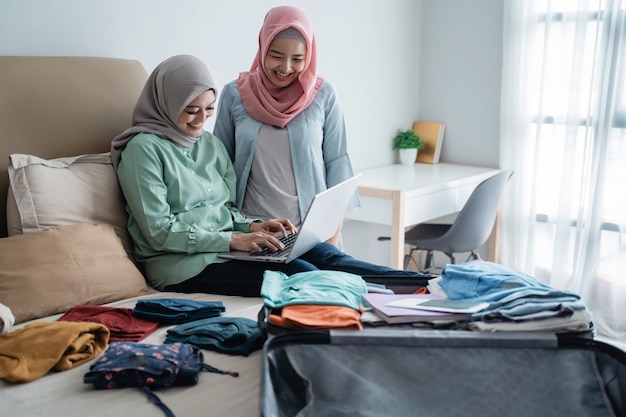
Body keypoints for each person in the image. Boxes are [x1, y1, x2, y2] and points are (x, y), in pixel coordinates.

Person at [111, 54, 423, 297]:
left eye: (209, 109)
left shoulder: (209, 144)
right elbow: (159, 231)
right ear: (166, 102)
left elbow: (225, 211)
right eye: (191, 109)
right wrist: (235, 240)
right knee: (299, 271)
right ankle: (392, 304)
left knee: (323, 253)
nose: (201, 120)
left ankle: (426, 285)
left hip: (225, 247)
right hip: (180, 264)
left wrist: (255, 226)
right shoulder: (143, 149)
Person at [213, 6, 354, 246]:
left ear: (309, 56)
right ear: (263, 47)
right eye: (276, 55)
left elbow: (338, 168)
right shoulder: (234, 94)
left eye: (298, 58)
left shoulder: (323, 95)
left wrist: (331, 238)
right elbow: (217, 168)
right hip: (252, 234)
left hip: (312, 235)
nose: (286, 68)